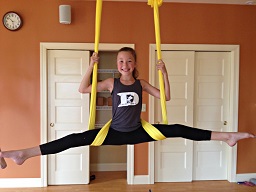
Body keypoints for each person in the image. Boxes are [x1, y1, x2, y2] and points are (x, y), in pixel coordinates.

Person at [0, 47, 255, 169]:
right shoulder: (111, 83)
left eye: (128, 61)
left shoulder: (141, 84)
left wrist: (165, 73)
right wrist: (90, 66)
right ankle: (23, 153)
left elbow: (165, 97)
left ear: (134, 64)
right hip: (112, 133)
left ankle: (228, 137)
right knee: (73, 140)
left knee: (178, 128)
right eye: (121, 61)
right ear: (118, 65)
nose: (124, 64)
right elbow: (83, 89)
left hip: (137, 131)